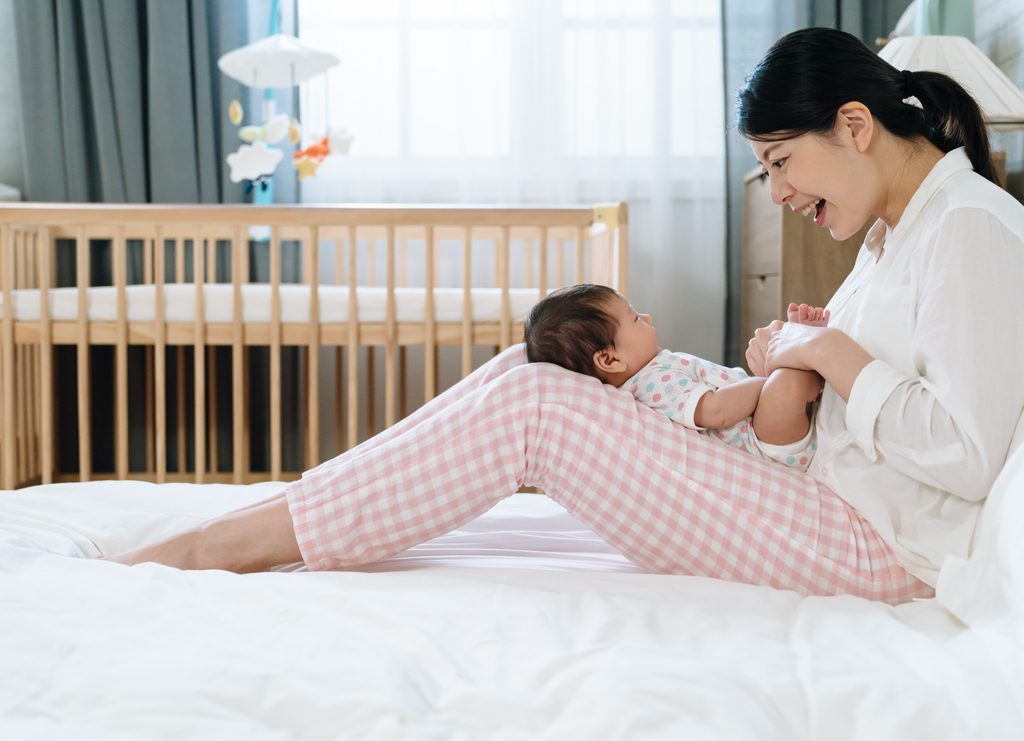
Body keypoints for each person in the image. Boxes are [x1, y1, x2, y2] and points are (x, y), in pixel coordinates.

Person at [109, 27, 1024, 607]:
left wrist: (824, 347)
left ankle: (227, 546)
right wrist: (803, 354)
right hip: (816, 488)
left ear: (855, 125)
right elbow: (875, 376)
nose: (778, 190)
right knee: (531, 370)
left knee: (542, 409)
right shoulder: (894, 236)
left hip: (872, 541)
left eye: (784, 162)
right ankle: (288, 510)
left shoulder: (973, 227)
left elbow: (971, 453)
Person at [523, 283, 824, 470]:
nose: (649, 318)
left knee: (781, 376)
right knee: (785, 386)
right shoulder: (650, 384)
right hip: (762, 443)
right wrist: (766, 383)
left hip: (760, 422)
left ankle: (798, 359)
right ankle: (805, 360)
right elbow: (716, 411)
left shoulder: (652, 371)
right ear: (609, 359)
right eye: (636, 318)